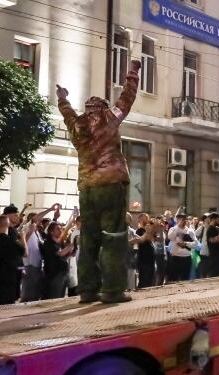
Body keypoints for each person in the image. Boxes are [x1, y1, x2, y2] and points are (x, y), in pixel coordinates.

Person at [57, 59, 141, 304]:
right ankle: (113, 290)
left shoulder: (76, 124)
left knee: (89, 237)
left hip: (87, 187)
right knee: (113, 236)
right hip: (110, 183)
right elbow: (126, 99)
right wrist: (133, 71)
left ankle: (87, 290)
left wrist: (62, 97)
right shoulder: (109, 117)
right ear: (103, 107)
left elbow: (67, 112)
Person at [0, 215, 27, 306]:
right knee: (7, 306)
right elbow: (25, 253)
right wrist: (23, 237)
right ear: (7, 224)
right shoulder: (11, 242)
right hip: (9, 279)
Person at [41, 222, 74, 299]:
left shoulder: (59, 243)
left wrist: (72, 251)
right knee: (54, 297)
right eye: (58, 229)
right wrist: (73, 244)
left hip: (63, 274)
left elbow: (66, 255)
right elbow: (60, 253)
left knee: (60, 297)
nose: (60, 231)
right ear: (51, 232)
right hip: (55, 275)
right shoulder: (48, 243)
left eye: (61, 229)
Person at [166, 214, 198, 281]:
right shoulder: (173, 229)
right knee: (173, 279)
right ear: (177, 220)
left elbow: (195, 243)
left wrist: (186, 244)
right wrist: (178, 227)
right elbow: (170, 237)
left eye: (185, 219)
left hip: (186, 258)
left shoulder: (190, 231)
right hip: (175, 258)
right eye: (181, 219)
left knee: (185, 278)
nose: (183, 221)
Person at [134, 217, 157, 288]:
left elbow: (153, 239)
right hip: (143, 261)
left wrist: (154, 228)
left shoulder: (150, 231)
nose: (147, 219)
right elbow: (142, 240)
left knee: (150, 281)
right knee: (144, 282)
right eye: (145, 217)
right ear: (140, 220)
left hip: (151, 261)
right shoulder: (139, 231)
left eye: (147, 217)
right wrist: (148, 231)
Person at [205, 213, 219, 277]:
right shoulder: (210, 230)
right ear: (214, 219)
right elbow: (217, 239)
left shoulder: (217, 229)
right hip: (214, 258)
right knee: (214, 276)